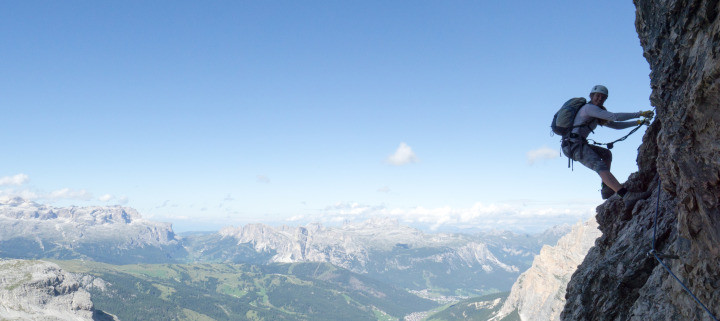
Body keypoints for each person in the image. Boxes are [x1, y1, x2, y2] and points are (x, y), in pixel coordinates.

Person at [561, 85, 654, 199]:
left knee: (606, 154)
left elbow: (616, 125)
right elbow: (615, 117)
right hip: (573, 145)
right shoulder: (589, 108)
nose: (600, 98)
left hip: (576, 144)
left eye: (603, 97)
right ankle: (626, 196)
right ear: (592, 96)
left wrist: (638, 122)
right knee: (599, 165)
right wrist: (640, 114)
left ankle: (606, 188)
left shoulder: (596, 112)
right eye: (598, 96)